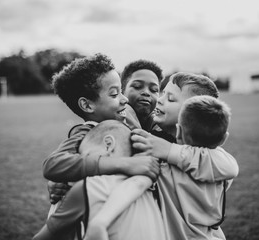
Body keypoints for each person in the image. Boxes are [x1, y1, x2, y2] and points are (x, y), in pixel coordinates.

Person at [79, 73, 239, 240]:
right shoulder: (160, 148)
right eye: (162, 93)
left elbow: (230, 166)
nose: (160, 100)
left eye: (170, 98)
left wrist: (168, 150)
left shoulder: (211, 160)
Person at [41, 53, 160, 221]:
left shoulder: (130, 118)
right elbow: (53, 165)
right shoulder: (87, 132)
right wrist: (125, 164)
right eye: (114, 94)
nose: (124, 99)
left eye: (155, 89)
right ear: (87, 105)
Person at [33, 120, 166, 240]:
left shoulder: (89, 188)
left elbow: (43, 237)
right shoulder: (153, 186)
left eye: (87, 156)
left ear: (108, 145)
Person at [121, 59, 163, 131]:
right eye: (137, 86)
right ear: (122, 90)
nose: (146, 92)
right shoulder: (110, 123)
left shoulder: (162, 129)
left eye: (154, 89)